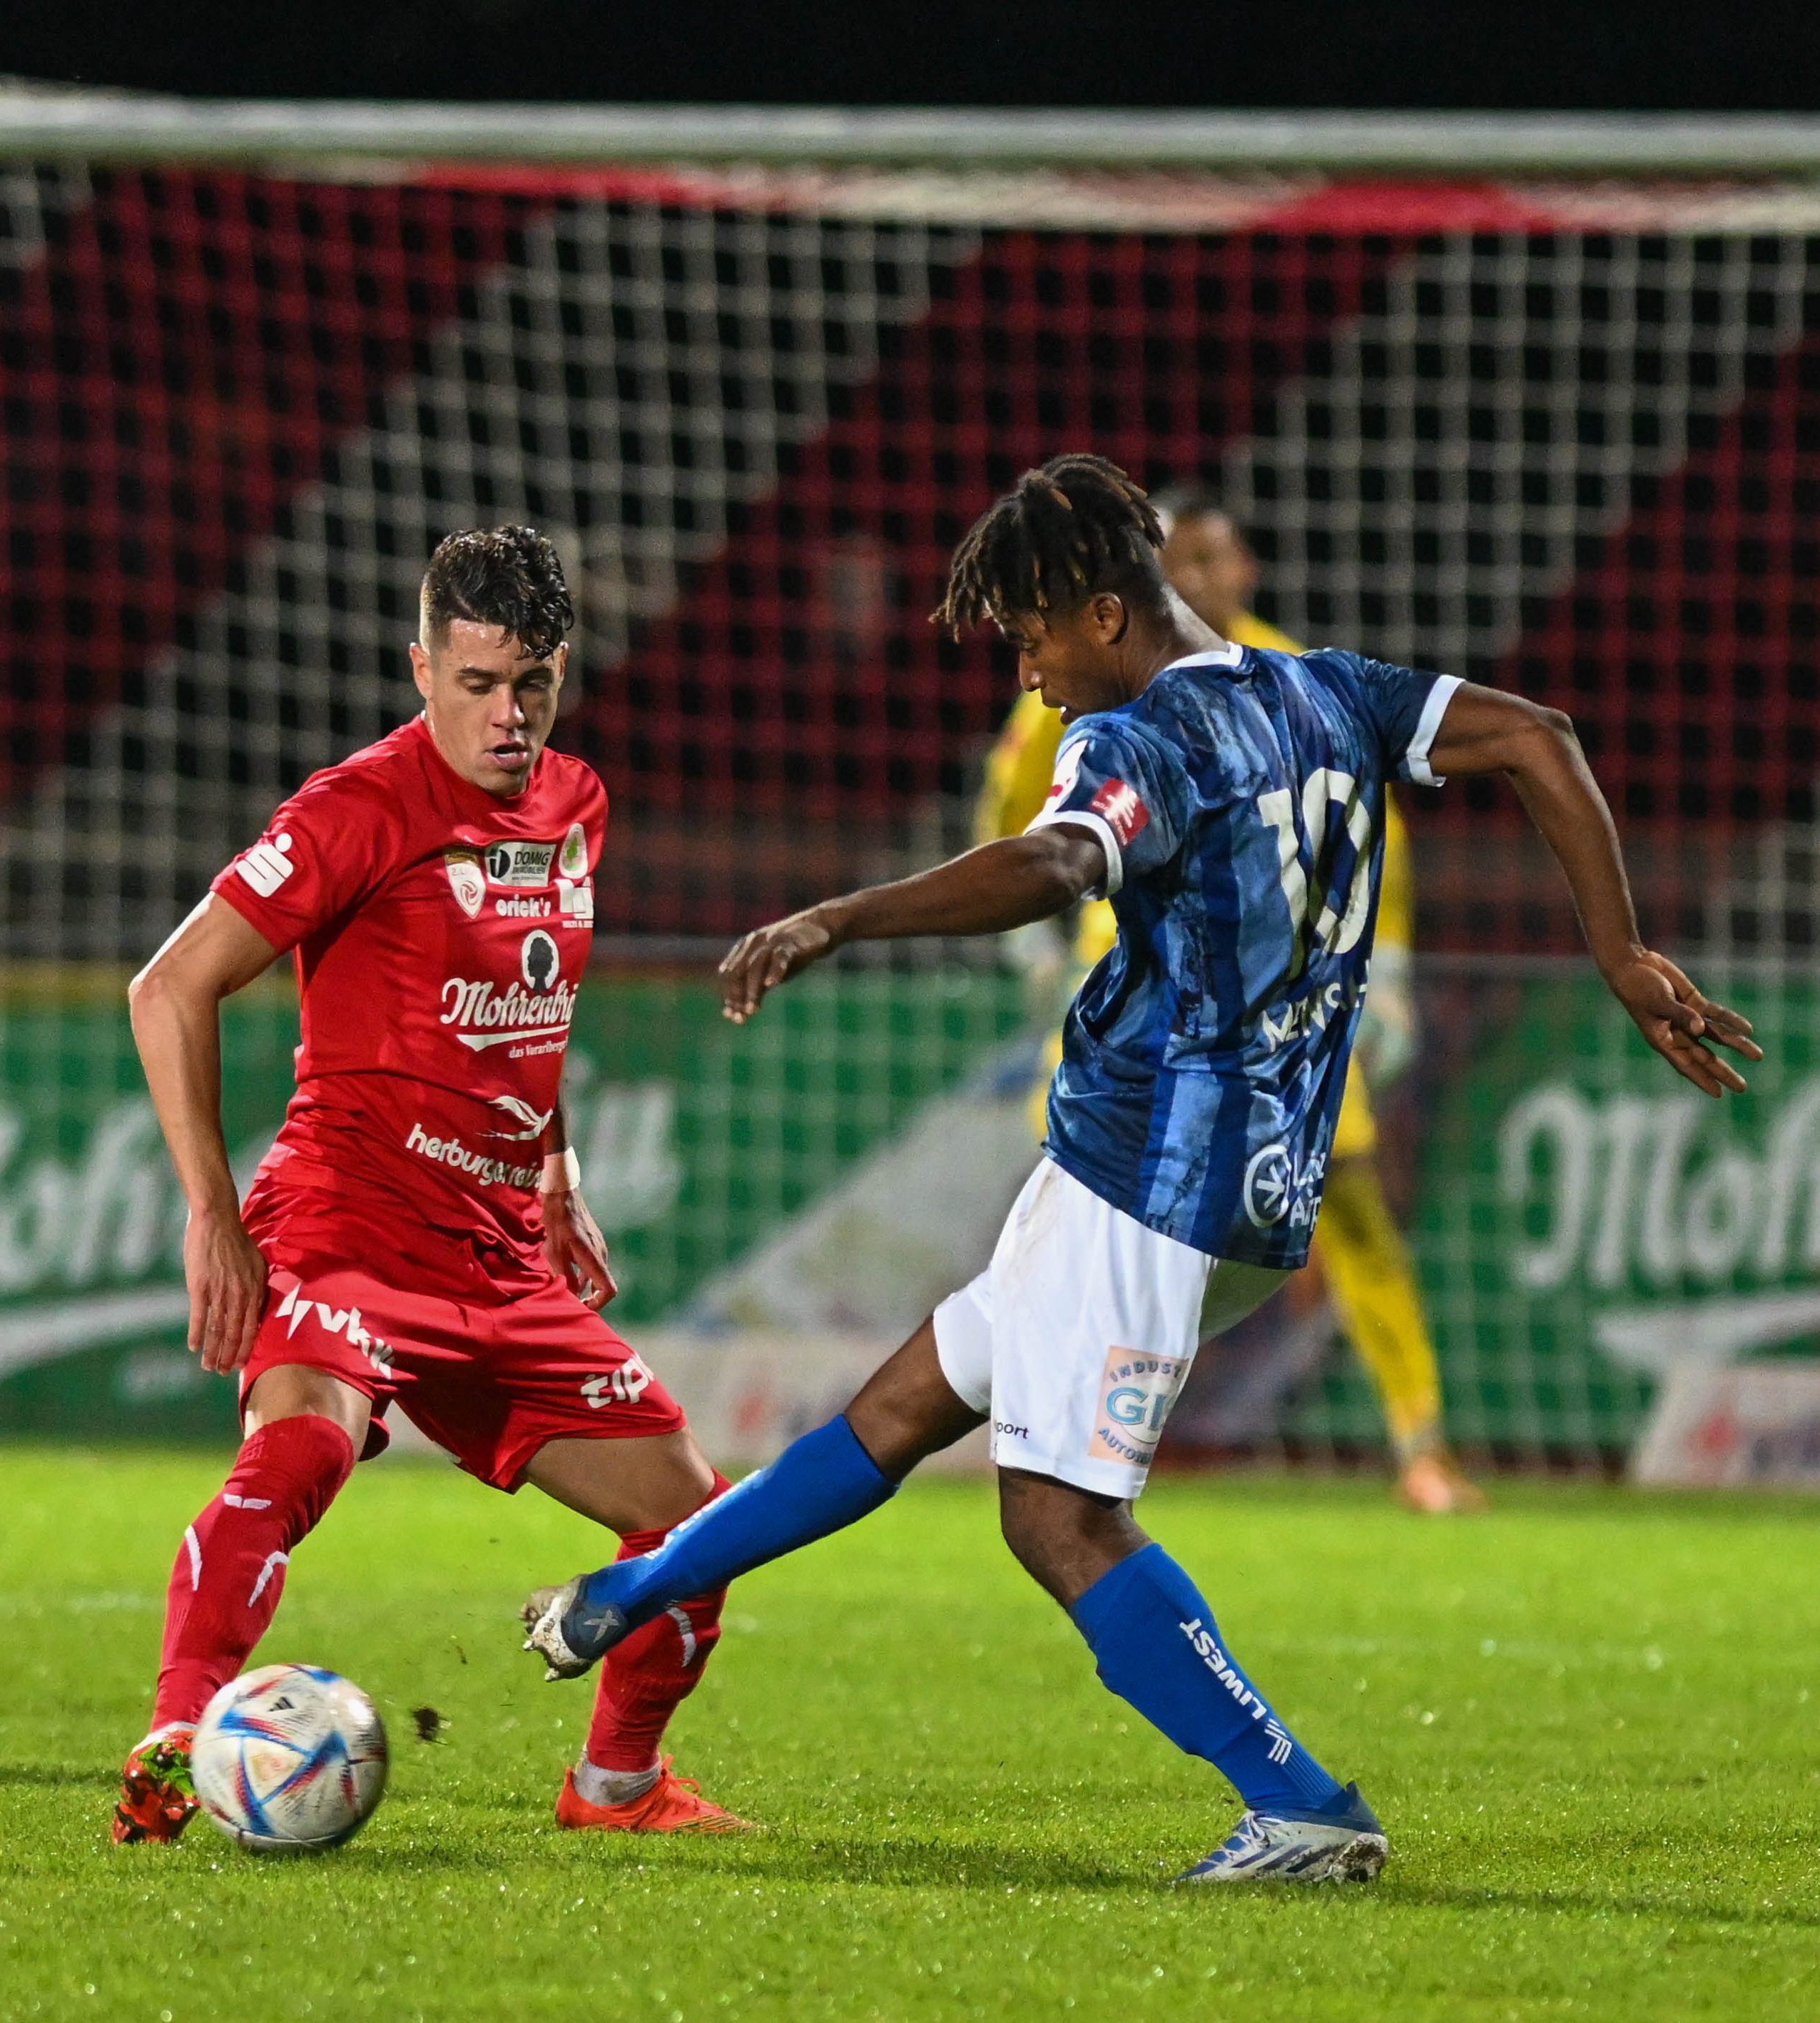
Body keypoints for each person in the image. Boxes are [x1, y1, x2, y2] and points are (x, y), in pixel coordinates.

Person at [518, 455, 1758, 1882]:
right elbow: (1536, 735)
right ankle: (640, 1585)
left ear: (1104, 612)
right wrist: (1615, 949)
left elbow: (1053, 864)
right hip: (1243, 1180)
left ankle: (1297, 1799)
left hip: (1153, 1174)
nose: (1033, 673)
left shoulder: (1137, 738)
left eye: (1035, 639)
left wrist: (837, 917)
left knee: (1052, 1513)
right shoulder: (1320, 687)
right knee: (910, 1397)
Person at [113, 527, 751, 1843]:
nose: (506, 716)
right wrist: (213, 1218)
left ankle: (616, 1789)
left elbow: (531, 1006)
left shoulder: (577, 803)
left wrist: (556, 1170)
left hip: (494, 1248)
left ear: (564, 673)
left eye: (531, 684)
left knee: (694, 1519)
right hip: (346, 1214)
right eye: (475, 684)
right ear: (421, 667)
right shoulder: (357, 807)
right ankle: (181, 1737)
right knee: (300, 1446)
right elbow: (166, 987)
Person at [975, 486, 1480, 1513]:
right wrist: (1029, 936)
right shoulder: (1087, 679)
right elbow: (1012, 801)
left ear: (1243, 570)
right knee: (1081, 1209)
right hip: (1129, 999)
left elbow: (1370, 820)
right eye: (1174, 561)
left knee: (1353, 1206)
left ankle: (1421, 1446)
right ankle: (1051, 1432)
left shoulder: (1294, 677)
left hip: (1281, 1000)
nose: (1194, 579)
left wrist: (1386, 970)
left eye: (1210, 559)